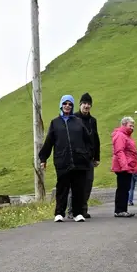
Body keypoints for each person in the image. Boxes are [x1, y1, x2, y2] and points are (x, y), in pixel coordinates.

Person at [39, 94, 93, 223]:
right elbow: (49, 142)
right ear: (61, 105)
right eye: (65, 104)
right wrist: (43, 158)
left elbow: (88, 140)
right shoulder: (55, 123)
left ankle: (78, 213)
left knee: (78, 188)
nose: (67, 106)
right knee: (62, 187)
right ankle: (59, 213)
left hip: (79, 161)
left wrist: (87, 155)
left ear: (72, 106)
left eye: (70, 104)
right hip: (62, 160)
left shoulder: (78, 122)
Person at [72, 92, 100, 218]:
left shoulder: (92, 121)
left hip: (89, 157)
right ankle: (72, 210)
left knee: (88, 183)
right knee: (75, 184)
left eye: (89, 104)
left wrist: (97, 157)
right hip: (76, 157)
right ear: (80, 104)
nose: (86, 106)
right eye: (84, 103)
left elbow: (96, 138)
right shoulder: (73, 118)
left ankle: (83, 209)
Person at [111, 116, 137, 218]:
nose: (132, 128)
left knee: (125, 187)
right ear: (124, 125)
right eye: (130, 125)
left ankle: (122, 209)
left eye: (133, 126)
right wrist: (124, 166)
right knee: (122, 188)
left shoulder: (126, 136)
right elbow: (119, 151)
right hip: (123, 167)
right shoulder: (120, 135)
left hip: (127, 166)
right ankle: (119, 210)